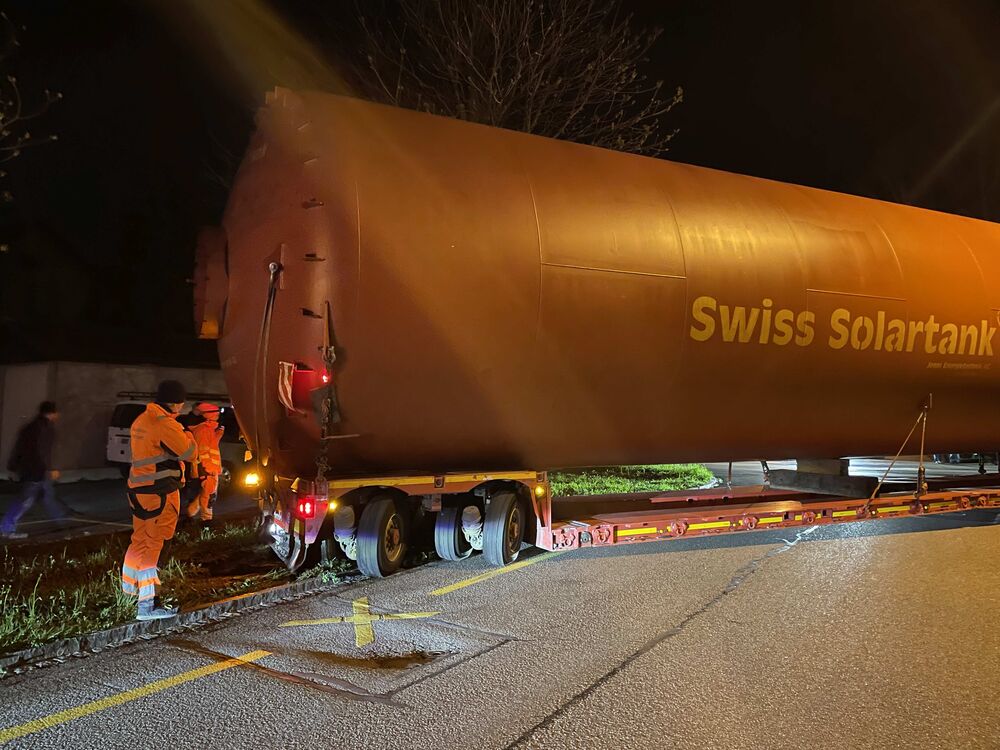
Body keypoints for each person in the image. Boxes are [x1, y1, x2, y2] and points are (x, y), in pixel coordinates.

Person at [121, 380, 196, 620]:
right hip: (160, 492)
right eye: (181, 403)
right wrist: (188, 434)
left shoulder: (142, 419)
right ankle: (147, 605)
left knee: (139, 540)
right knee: (155, 544)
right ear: (176, 403)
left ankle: (128, 592)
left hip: (138, 489)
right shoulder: (166, 424)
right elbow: (189, 453)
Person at [1, 401, 69, 540]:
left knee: (48, 496)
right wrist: (48, 469)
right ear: (52, 413)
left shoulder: (32, 427)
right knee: (26, 500)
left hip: (33, 470)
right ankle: (6, 528)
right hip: (36, 471)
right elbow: (40, 452)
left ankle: (63, 523)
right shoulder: (44, 428)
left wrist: (14, 465)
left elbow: (20, 448)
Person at [186, 402, 224, 523]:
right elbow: (203, 451)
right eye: (216, 413)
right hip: (208, 470)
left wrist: (217, 435)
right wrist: (208, 470)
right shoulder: (204, 430)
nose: (218, 415)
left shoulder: (207, 429)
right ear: (209, 415)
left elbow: (209, 446)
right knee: (208, 497)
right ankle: (206, 522)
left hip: (209, 469)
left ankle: (189, 516)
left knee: (205, 495)